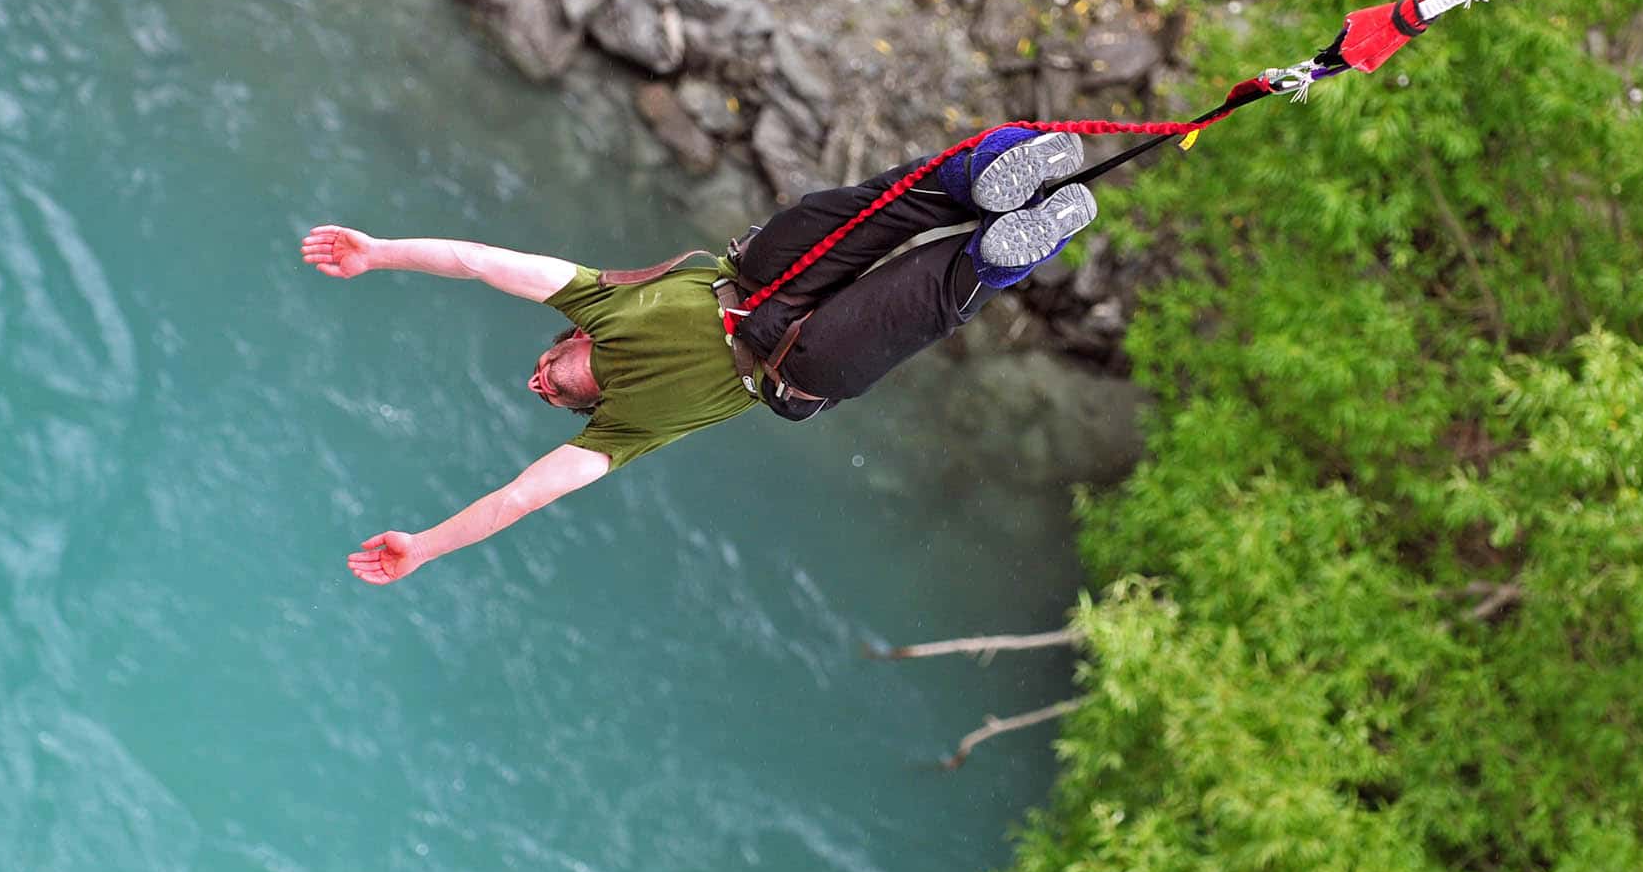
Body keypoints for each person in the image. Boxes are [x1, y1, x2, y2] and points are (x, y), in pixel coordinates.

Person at [302, 127, 1099, 585]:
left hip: (751, 280)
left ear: (566, 341)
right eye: (544, 397)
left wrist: (379, 253)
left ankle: (985, 174)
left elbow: (476, 261)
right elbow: (516, 499)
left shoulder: (595, 301)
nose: (538, 384)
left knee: (878, 206)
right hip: (794, 363)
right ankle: (1005, 249)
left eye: (540, 373)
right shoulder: (615, 434)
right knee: (932, 295)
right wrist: (425, 546)